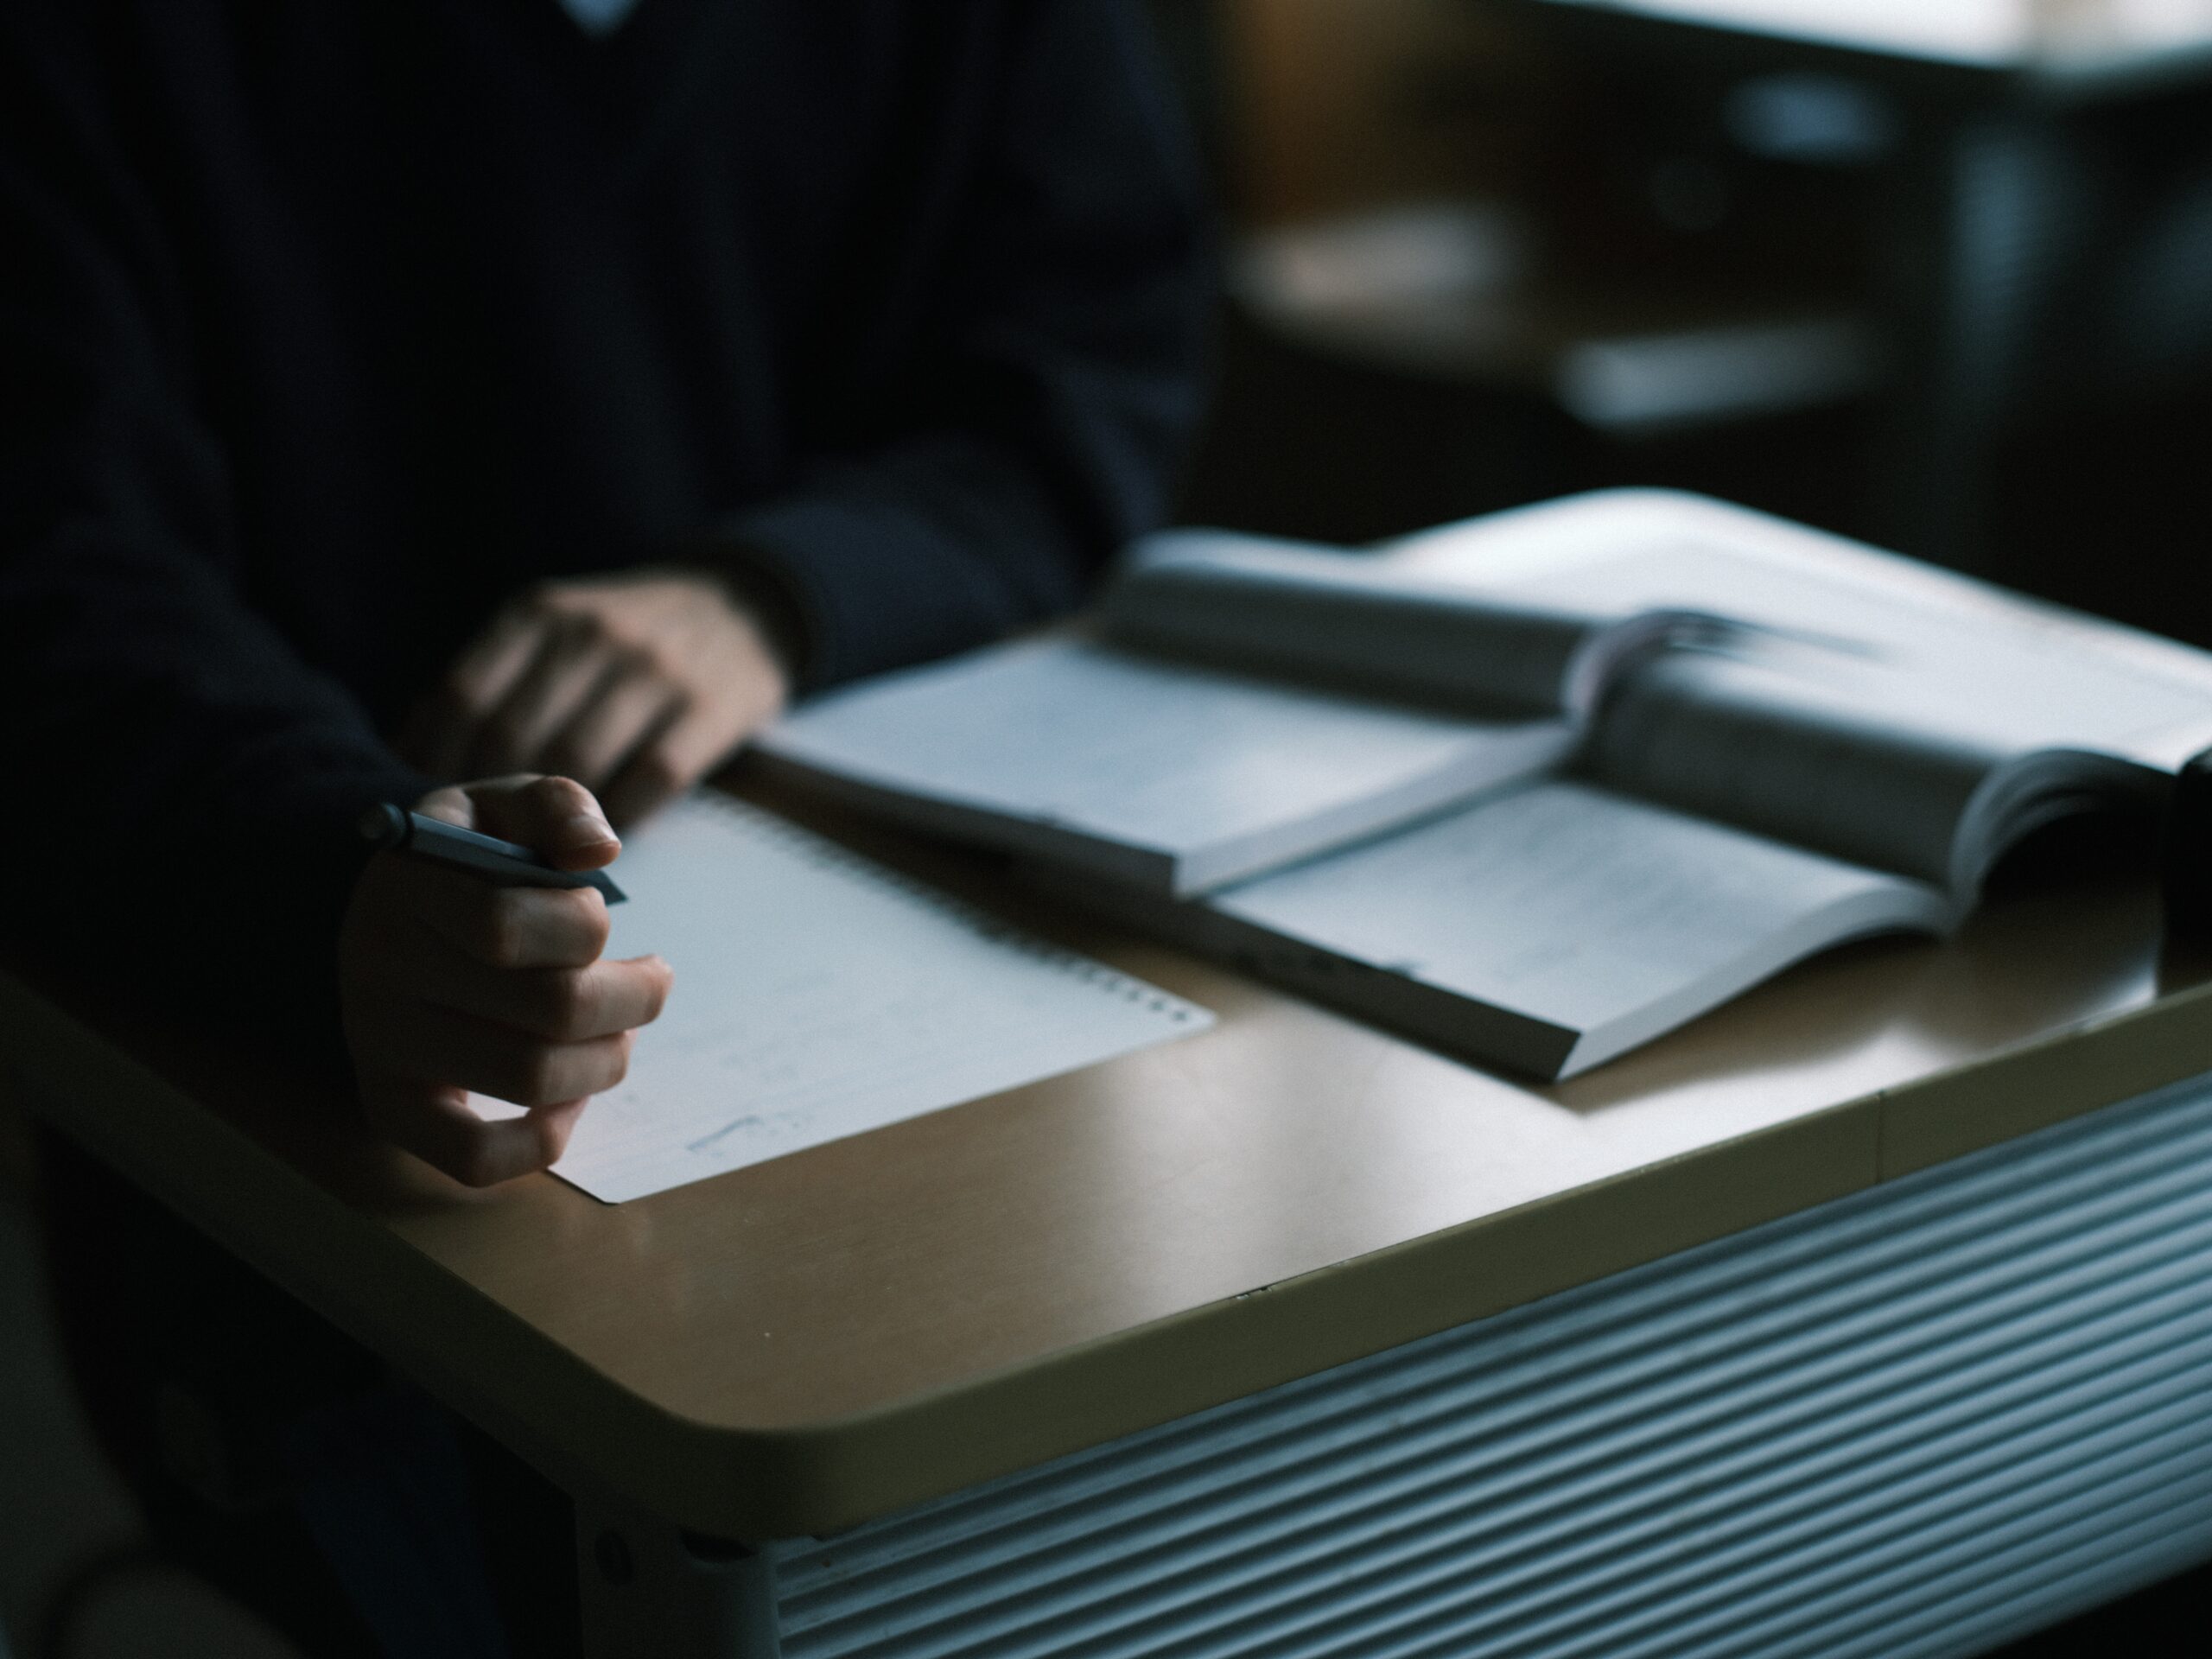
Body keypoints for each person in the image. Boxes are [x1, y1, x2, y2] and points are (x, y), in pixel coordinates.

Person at [1, 1, 1208, 1649]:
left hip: (951, 1045)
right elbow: (52, 567)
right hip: (334, 1114)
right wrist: (326, 871)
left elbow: (1088, 371)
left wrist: (780, 594)